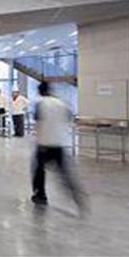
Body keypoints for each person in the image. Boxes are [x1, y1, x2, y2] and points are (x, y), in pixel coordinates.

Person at [32, 82, 86, 211]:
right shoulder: (61, 103)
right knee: (64, 173)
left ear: (40, 91)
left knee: (39, 170)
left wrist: (37, 137)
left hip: (44, 143)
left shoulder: (41, 104)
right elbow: (69, 119)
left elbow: (38, 123)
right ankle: (76, 196)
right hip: (59, 143)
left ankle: (40, 195)